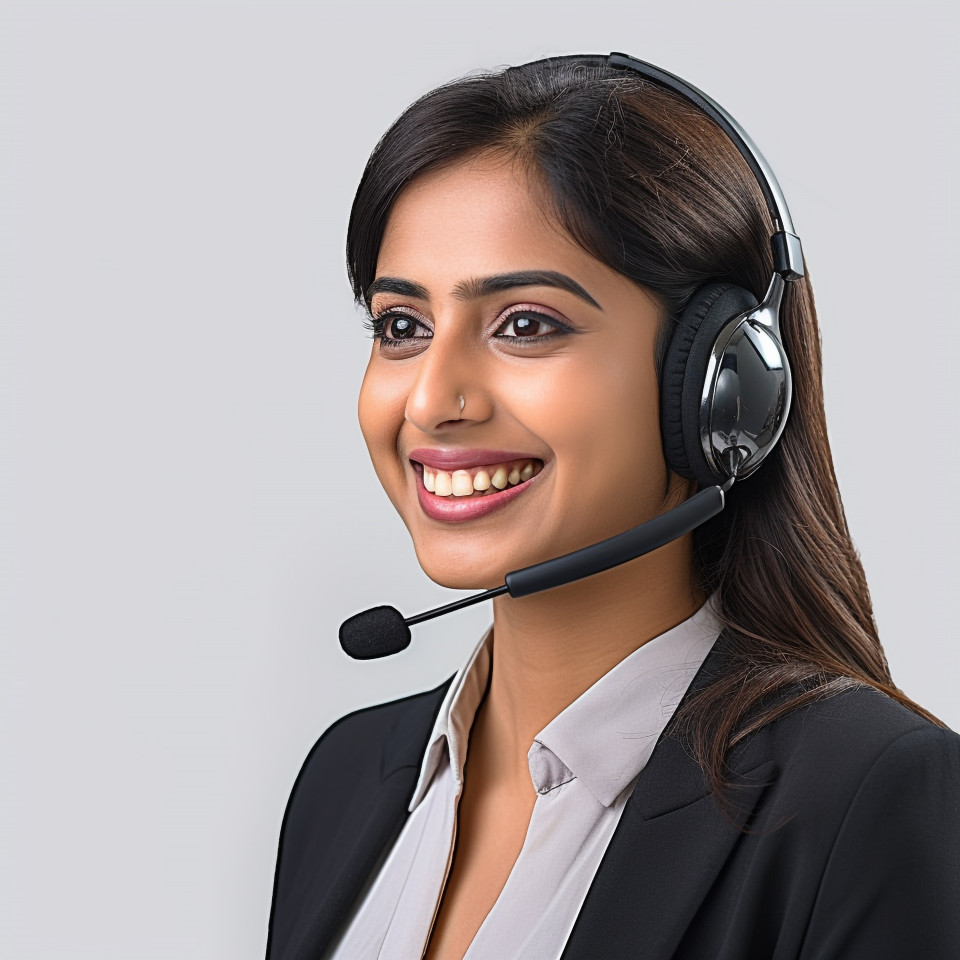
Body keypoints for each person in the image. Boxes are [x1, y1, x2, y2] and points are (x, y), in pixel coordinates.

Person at [266, 54, 960, 960]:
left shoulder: (867, 797)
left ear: (721, 387)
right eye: (403, 327)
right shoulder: (346, 777)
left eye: (526, 324)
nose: (433, 399)